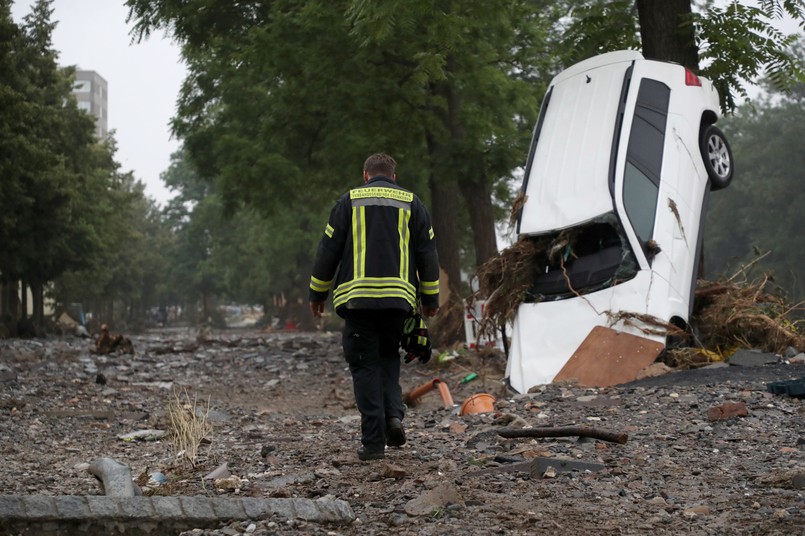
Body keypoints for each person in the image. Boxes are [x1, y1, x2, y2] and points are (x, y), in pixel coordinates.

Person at [309, 153, 440, 461]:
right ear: (393, 177)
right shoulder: (412, 202)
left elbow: (328, 249)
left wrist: (317, 293)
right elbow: (427, 251)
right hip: (398, 301)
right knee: (387, 361)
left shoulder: (348, 201)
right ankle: (394, 416)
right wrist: (431, 299)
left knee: (365, 366)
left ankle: (372, 443)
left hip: (358, 303)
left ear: (365, 175)